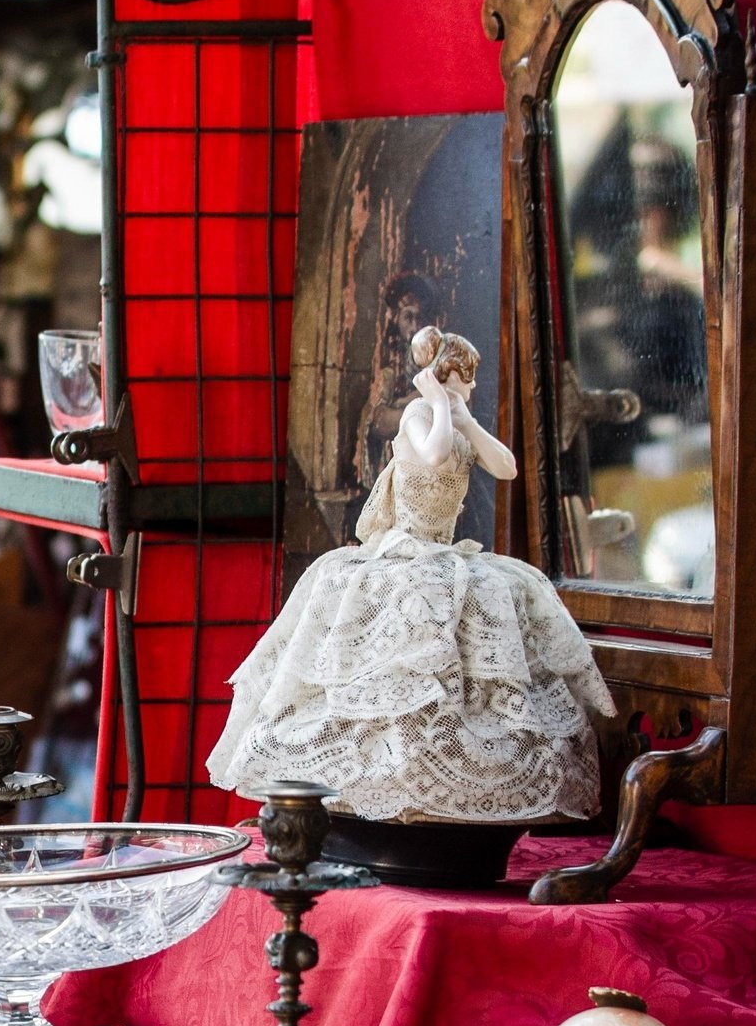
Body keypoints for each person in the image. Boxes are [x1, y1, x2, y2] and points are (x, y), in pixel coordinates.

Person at [207, 325, 614, 824]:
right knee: (397, 665)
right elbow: (436, 454)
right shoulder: (419, 415)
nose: (472, 389)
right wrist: (441, 405)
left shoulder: (454, 416)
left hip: (444, 552)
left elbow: (506, 467)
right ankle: (376, 789)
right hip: (403, 549)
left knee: (500, 599)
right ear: (447, 376)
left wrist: (466, 417)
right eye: (466, 379)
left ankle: (450, 790)